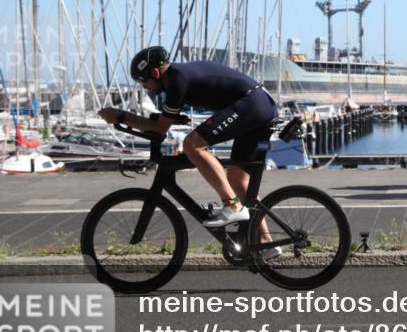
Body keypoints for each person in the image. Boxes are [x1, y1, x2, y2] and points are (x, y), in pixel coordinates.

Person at [98, 47, 279, 235]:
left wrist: (121, 116)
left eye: (143, 81)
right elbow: (165, 120)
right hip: (259, 105)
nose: (144, 87)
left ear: (155, 73)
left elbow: (160, 128)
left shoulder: (177, 79)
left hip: (253, 105)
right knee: (237, 178)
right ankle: (264, 240)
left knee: (192, 144)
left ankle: (232, 206)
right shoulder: (177, 78)